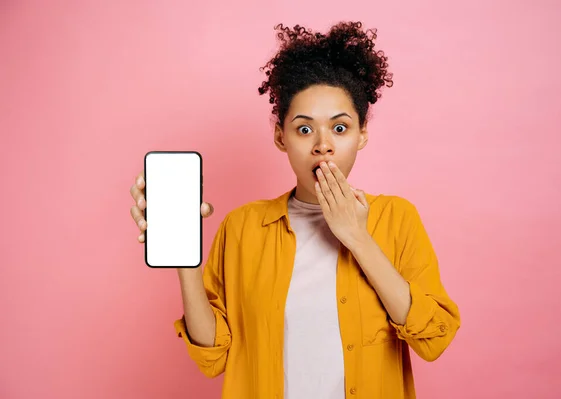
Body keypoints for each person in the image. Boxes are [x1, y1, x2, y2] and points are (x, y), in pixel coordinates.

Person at [129, 21, 460, 399]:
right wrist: (185, 259)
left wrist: (356, 237)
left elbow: (434, 338)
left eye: (340, 128)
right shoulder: (243, 227)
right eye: (304, 130)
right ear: (280, 137)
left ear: (362, 134)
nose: (323, 145)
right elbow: (213, 355)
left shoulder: (397, 218)